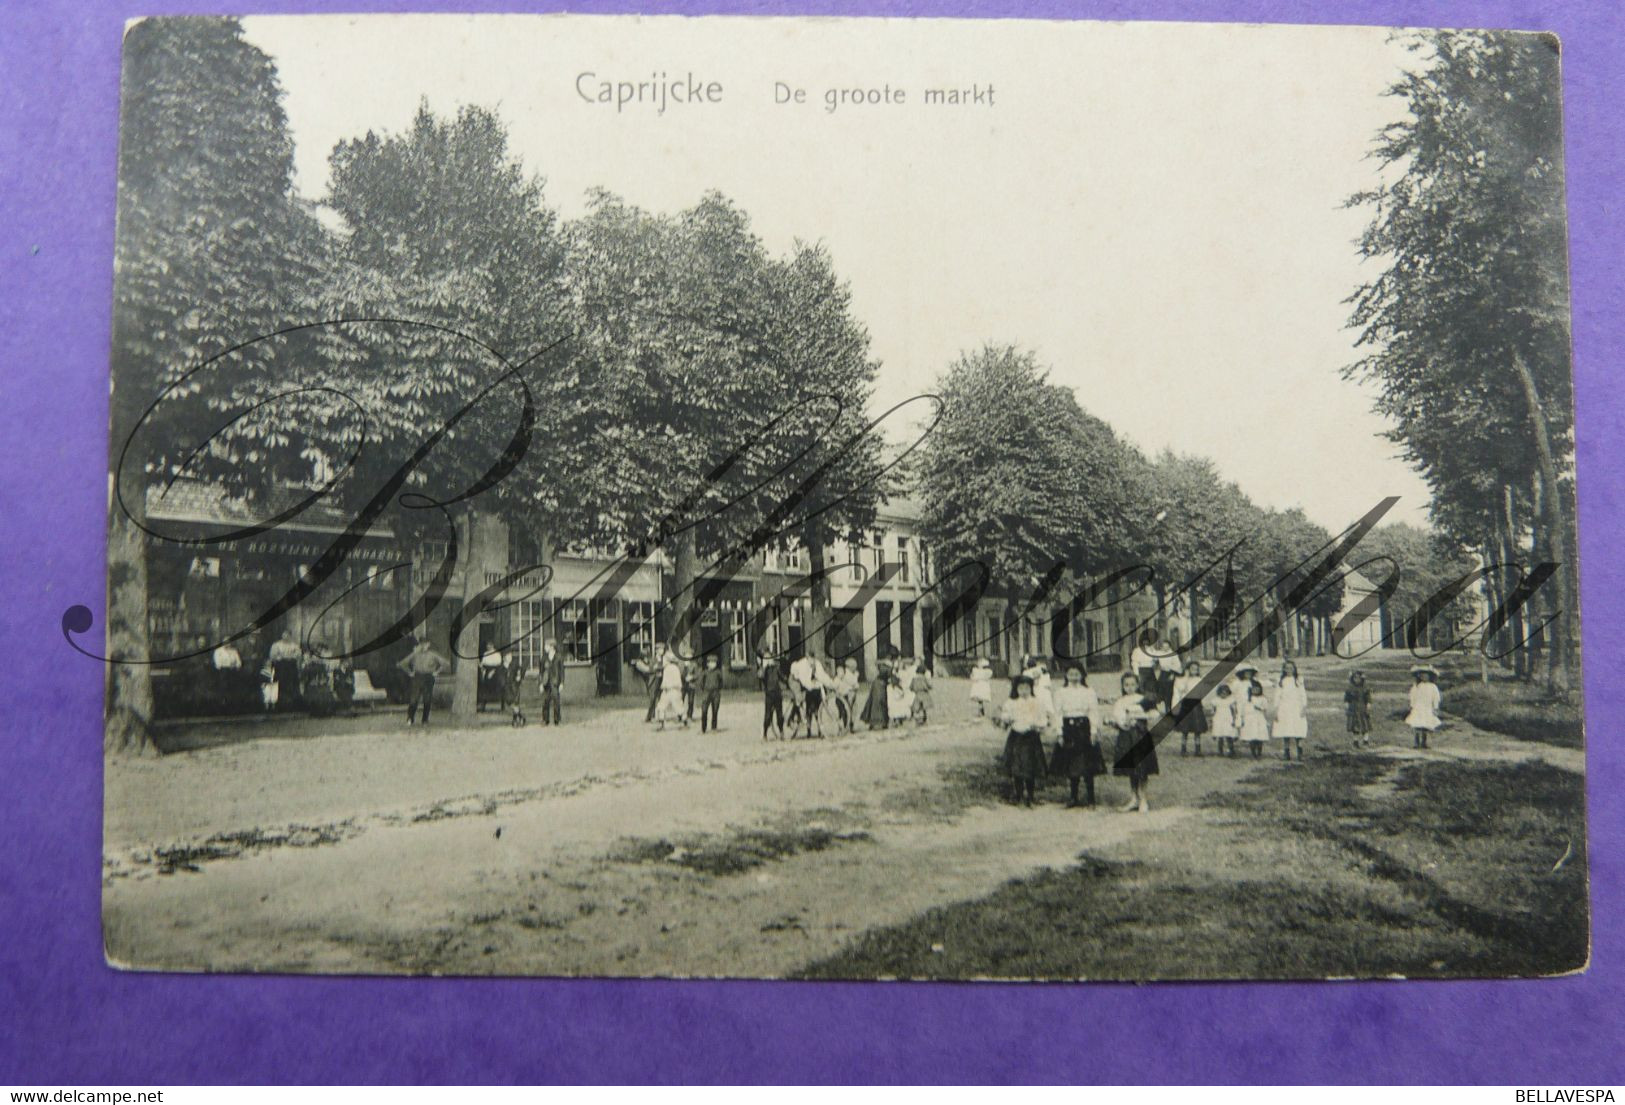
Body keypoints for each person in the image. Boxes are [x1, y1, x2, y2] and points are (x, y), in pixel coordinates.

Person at [995, 674, 1054, 807]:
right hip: (1016, 737)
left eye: (1027, 688)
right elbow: (1006, 715)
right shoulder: (1011, 702)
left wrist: (1039, 725)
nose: (1024, 691)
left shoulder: (1036, 702)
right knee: (1017, 767)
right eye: (1020, 688)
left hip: (1030, 737)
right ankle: (1019, 794)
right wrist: (1006, 719)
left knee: (1030, 768)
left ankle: (1031, 796)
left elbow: (1042, 717)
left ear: (1031, 688)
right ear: (1016, 689)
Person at [1052, 665, 1104, 808]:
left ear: (1082, 675)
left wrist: (1093, 731)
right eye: (1071, 673)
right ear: (1066, 675)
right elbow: (1057, 713)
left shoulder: (1088, 691)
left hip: (1083, 729)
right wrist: (1059, 733)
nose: (1074, 676)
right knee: (1071, 764)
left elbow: (1093, 711)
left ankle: (1091, 799)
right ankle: (1073, 798)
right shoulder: (1060, 692)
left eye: (1077, 673)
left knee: (1087, 765)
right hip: (1068, 729)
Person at [1108, 672, 1160, 813]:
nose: (1129, 687)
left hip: (1140, 735)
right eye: (1126, 685)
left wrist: (1141, 716)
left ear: (1137, 685)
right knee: (1132, 768)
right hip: (1126, 737)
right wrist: (1121, 723)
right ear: (1123, 686)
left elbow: (1155, 714)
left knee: (1142, 767)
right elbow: (1117, 717)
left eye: (1132, 684)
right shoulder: (1120, 701)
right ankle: (1134, 798)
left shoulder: (1143, 699)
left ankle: (1143, 798)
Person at [397, 637, 450, 727]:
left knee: (427, 699)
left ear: (428, 644)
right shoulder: (415, 654)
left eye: (425, 644)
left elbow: (446, 663)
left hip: (428, 677)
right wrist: (410, 672)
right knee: (414, 699)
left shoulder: (433, 654)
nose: (423, 646)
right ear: (419, 644)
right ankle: (410, 718)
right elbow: (402, 663)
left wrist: (436, 672)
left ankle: (425, 720)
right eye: (421, 644)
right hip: (417, 677)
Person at [1170, 660, 1209, 756]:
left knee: (1197, 729)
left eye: (1196, 669)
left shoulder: (1199, 679)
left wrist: (1205, 704)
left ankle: (1198, 750)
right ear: (1187, 669)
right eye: (1192, 669)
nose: (1194, 670)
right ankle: (1183, 749)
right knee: (1185, 729)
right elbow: (1180, 691)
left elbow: (1202, 693)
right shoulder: (1182, 680)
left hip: (1196, 705)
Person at [1274, 660, 1308, 761]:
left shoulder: (1298, 680)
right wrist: (1276, 709)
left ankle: (1300, 752)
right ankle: (1286, 752)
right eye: (1287, 668)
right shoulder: (1281, 680)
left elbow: (1303, 694)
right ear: (1283, 669)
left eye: (1291, 668)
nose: (1289, 670)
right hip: (1284, 707)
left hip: (1296, 707)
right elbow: (1277, 695)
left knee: (1298, 730)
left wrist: (1304, 707)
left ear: (1294, 669)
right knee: (1286, 730)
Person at [1406, 664, 1443, 748]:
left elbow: (1436, 698)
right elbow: (1412, 696)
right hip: (1418, 708)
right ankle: (1416, 742)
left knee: (1425, 726)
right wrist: (1412, 706)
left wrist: (1435, 708)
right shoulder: (1417, 686)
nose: (1424, 677)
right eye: (1422, 675)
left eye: (1426, 675)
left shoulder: (1433, 687)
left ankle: (1424, 742)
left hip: (1427, 708)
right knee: (1417, 725)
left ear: (1430, 677)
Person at [269, 630, 303, 712]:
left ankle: (293, 705)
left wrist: (290, 657)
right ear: (282, 636)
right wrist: (281, 657)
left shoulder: (294, 645)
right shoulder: (277, 645)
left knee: (292, 684)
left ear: (290, 636)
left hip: (291, 666)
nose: (286, 637)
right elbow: (273, 656)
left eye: (287, 635)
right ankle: (281, 705)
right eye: (284, 635)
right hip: (281, 667)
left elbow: (298, 654)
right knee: (281, 684)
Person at [656, 647, 687, 730]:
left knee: (678, 707)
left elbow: (677, 682)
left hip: (673, 690)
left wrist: (669, 687)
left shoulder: (673, 668)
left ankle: (685, 722)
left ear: (669, 660)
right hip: (666, 691)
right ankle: (662, 725)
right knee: (661, 706)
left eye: (665, 659)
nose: (663, 661)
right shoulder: (666, 669)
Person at [1239, 678, 1271, 758]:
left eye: (1257, 689)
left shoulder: (1263, 698)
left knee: (1260, 736)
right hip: (1250, 719)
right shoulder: (1247, 699)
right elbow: (1243, 710)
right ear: (1250, 690)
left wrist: (1260, 708)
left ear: (1260, 689)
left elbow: (1265, 708)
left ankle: (1259, 752)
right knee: (1251, 736)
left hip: (1259, 718)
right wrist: (1242, 720)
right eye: (1254, 689)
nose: (1255, 691)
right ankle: (1253, 753)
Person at [759, 651, 786, 741]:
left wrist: (787, 681)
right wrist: (764, 667)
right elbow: (760, 676)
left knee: (780, 714)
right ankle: (765, 734)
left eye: (769, 658)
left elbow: (782, 677)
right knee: (767, 715)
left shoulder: (776, 668)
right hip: (769, 694)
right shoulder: (764, 670)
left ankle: (781, 732)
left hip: (777, 693)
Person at [860, 655, 892, 730]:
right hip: (881, 686)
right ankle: (883, 722)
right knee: (881, 703)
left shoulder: (883, 666)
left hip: (876, 684)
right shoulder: (888, 668)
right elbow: (889, 678)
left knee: (872, 703)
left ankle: (871, 723)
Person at [635, 644, 664, 724]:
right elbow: (649, 669)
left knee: (659, 698)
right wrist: (657, 668)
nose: (662, 651)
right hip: (653, 681)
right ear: (657, 650)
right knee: (652, 699)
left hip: (659, 680)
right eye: (660, 649)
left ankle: (656, 716)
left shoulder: (662, 659)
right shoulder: (653, 659)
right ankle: (650, 716)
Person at [538, 640, 564, 726]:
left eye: (546, 646)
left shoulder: (559, 657)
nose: (545, 647)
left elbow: (562, 671)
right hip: (546, 683)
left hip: (555, 682)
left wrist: (562, 683)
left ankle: (557, 720)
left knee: (556, 701)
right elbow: (541, 672)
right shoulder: (543, 658)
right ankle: (545, 720)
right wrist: (541, 683)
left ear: (552, 646)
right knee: (545, 702)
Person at [1209, 682, 1239, 756]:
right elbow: (1213, 710)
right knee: (1220, 736)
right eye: (1222, 693)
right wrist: (1212, 717)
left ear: (1228, 693)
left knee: (1229, 735)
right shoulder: (1216, 700)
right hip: (1219, 718)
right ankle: (1220, 751)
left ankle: (1231, 750)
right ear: (1219, 693)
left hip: (1228, 718)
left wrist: (1234, 719)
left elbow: (1234, 711)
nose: (1224, 694)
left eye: (1225, 693)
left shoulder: (1230, 700)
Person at [1345, 670, 1373, 748]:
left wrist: (1368, 705)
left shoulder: (1365, 688)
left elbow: (1368, 699)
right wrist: (1347, 705)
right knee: (1355, 727)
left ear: (1362, 679)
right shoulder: (1350, 688)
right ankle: (1355, 741)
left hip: (1362, 709)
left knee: (1365, 725)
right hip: (1353, 709)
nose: (1357, 680)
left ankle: (1365, 741)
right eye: (1355, 678)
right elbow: (1347, 699)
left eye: (1358, 678)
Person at [698, 655, 724, 733]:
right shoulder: (705, 672)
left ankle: (714, 727)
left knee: (715, 710)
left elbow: (721, 683)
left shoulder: (718, 672)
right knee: (704, 710)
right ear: (707, 664)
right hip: (706, 692)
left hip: (716, 693)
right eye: (711, 663)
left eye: (714, 663)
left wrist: (717, 689)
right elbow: (701, 683)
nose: (713, 664)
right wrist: (705, 690)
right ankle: (703, 728)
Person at [834, 659, 860, 733]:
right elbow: (853, 683)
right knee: (843, 712)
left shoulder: (851, 674)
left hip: (847, 695)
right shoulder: (847, 675)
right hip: (842, 696)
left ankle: (849, 726)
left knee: (850, 711)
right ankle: (845, 726)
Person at [505, 653, 527, 727]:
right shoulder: (503, 665)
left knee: (515, 702)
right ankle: (521, 717)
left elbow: (522, 669)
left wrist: (520, 677)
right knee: (509, 702)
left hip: (514, 685)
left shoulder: (515, 664)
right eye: (507, 656)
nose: (509, 658)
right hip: (507, 687)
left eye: (510, 656)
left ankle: (515, 720)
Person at [908, 660, 933, 725]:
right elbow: (928, 685)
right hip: (924, 693)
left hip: (918, 694)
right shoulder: (924, 678)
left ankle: (915, 718)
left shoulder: (914, 678)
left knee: (916, 706)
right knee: (924, 707)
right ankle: (924, 718)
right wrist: (930, 687)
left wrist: (913, 689)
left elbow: (911, 687)